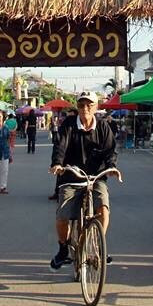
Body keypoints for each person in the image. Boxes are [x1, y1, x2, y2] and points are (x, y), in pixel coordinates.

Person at [49, 91, 118, 270]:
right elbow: (60, 146)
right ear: (77, 107)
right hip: (72, 176)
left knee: (103, 209)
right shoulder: (69, 125)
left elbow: (111, 149)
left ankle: (98, 244)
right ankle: (63, 249)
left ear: (96, 107)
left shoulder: (103, 127)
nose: (85, 108)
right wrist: (57, 163)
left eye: (89, 105)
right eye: (81, 105)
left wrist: (112, 166)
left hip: (96, 177)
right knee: (62, 215)